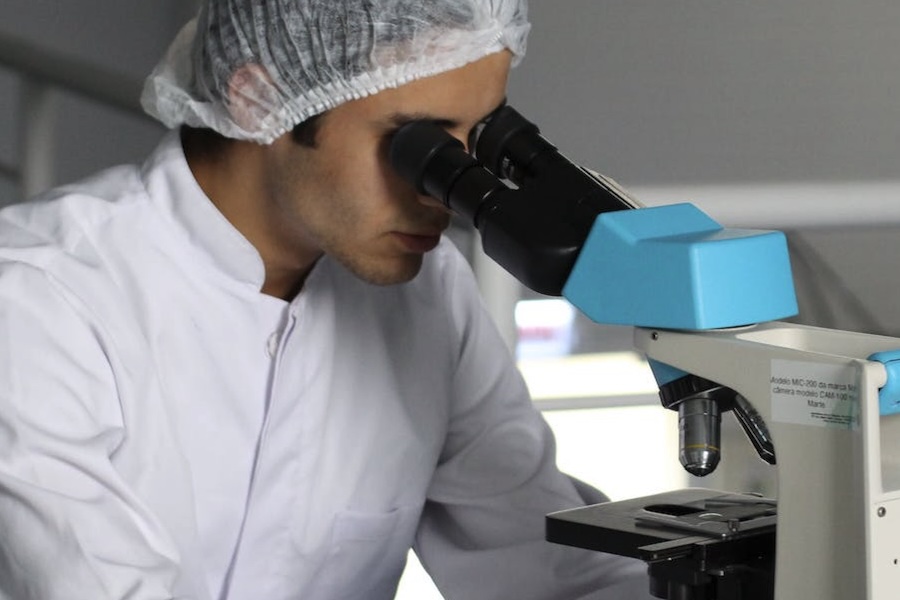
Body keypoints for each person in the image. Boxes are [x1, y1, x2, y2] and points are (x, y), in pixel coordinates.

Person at [0, 1, 653, 598]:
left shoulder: (429, 294)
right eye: (416, 143)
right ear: (260, 99)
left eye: (477, 139)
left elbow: (548, 567)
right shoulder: (41, 298)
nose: (442, 193)